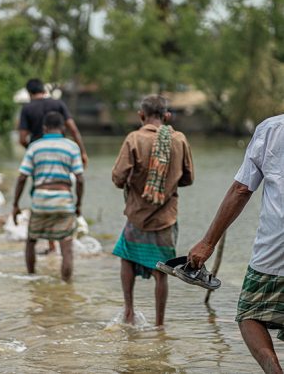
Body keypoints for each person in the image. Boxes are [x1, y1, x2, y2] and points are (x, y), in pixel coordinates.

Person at [188, 115, 284, 374]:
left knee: (250, 314)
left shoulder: (273, 129)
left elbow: (242, 189)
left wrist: (208, 243)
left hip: (276, 248)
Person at [112, 94, 194, 326]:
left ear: (141, 115)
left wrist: (135, 182)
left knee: (126, 259)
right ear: (166, 116)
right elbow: (188, 178)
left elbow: (118, 177)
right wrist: (168, 181)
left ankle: (129, 312)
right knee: (162, 270)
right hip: (166, 217)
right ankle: (160, 324)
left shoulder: (134, 139)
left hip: (137, 214)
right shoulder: (179, 140)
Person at [12, 111, 84, 282]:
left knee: (31, 240)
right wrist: (78, 204)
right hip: (63, 200)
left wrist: (15, 204)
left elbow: (22, 177)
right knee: (66, 246)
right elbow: (80, 179)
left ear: (44, 128)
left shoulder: (34, 146)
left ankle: (31, 278)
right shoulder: (72, 147)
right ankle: (66, 286)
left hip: (40, 201)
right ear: (63, 128)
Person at [18, 78, 88, 252]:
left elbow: (22, 138)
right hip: (62, 154)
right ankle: (60, 238)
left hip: (39, 158)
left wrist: (34, 152)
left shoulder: (27, 109)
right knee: (63, 188)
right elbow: (73, 128)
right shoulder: (58, 103)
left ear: (29, 93)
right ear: (44, 89)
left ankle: (50, 242)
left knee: (41, 191)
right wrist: (82, 151)